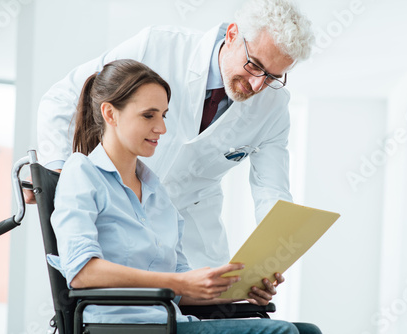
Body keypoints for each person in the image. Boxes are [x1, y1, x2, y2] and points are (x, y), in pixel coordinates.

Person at [47, 58, 299, 333]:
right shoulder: (82, 173)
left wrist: (241, 290)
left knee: (306, 330)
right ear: (110, 113)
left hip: (170, 322)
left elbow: (182, 288)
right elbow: (82, 272)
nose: (162, 128)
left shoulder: (157, 191)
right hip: (121, 327)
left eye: (163, 115)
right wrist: (179, 283)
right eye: (148, 115)